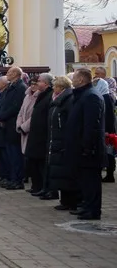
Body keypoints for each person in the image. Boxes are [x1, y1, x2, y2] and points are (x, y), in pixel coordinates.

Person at [66, 68, 105, 220]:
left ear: (81, 80)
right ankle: (87, 205)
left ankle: (93, 209)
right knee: (84, 180)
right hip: (81, 148)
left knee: (91, 181)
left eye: (74, 77)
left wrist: (87, 147)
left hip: (89, 149)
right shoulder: (83, 95)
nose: (72, 80)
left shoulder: (91, 97)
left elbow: (91, 125)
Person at [0, 67, 27, 190]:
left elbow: (15, 106)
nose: (7, 74)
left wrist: (2, 117)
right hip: (5, 124)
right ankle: (10, 178)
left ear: (16, 74)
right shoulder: (11, 87)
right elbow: (4, 105)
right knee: (8, 155)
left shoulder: (20, 88)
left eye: (9, 72)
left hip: (12, 125)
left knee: (15, 155)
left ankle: (17, 180)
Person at [48, 76, 76, 208]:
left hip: (63, 140)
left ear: (61, 87)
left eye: (55, 86)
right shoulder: (59, 100)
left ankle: (68, 201)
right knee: (60, 171)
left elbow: (67, 121)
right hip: (57, 139)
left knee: (64, 172)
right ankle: (64, 200)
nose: (53, 88)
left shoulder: (68, 100)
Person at [24, 73, 54, 198]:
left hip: (42, 135)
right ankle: (37, 186)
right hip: (36, 134)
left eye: (40, 81)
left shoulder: (49, 96)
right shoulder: (41, 95)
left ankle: (44, 187)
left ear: (46, 83)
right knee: (35, 162)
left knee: (42, 163)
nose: (37, 83)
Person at [93, 77, 117, 183]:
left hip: (107, 130)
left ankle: (110, 174)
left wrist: (108, 130)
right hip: (105, 129)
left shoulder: (106, 97)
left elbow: (109, 116)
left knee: (109, 152)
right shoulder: (102, 96)